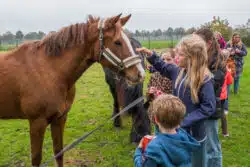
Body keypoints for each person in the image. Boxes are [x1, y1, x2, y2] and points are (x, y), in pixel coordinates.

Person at [137, 34, 216, 167]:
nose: (176, 57)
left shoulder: (204, 80)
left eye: (181, 55)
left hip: (193, 136)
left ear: (193, 58)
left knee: (196, 162)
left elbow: (208, 107)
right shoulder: (178, 71)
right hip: (175, 131)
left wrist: (184, 121)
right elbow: (162, 66)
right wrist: (151, 55)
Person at [134, 94, 200, 167]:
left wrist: (139, 151)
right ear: (180, 119)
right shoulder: (184, 137)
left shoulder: (154, 147)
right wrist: (158, 138)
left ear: (156, 119)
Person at [195, 28, 226, 167]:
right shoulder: (200, 59)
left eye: (197, 42)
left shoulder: (216, 62)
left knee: (212, 145)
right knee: (202, 143)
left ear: (208, 43)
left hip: (211, 111)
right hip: (199, 108)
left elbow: (212, 84)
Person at [220, 49, 233, 137]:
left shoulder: (214, 65)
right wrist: (229, 73)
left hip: (215, 94)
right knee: (222, 114)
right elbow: (229, 82)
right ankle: (225, 132)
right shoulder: (227, 69)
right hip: (222, 96)